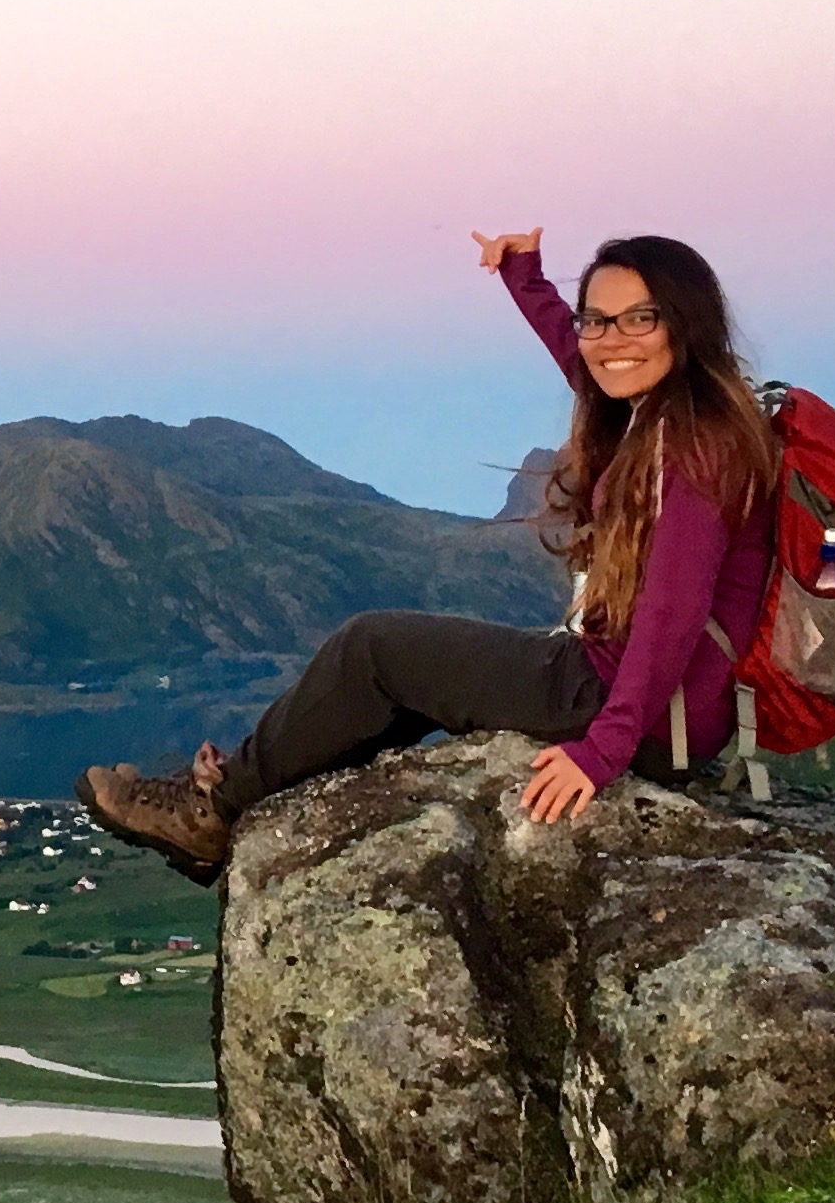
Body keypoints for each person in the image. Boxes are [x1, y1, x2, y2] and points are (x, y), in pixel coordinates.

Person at [75, 229, 781, 879]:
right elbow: (587, 363)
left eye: (639, 318)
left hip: (633, 708)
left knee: (374, 650)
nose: (609, 339)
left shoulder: (691, 449)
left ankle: (213, 814)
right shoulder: (678, 415)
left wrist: (603, 753)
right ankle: (245, 802)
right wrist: (523, 276)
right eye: (595, 318)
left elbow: (673, 613)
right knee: (399, 684)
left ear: (685, 324)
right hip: (665, 707)